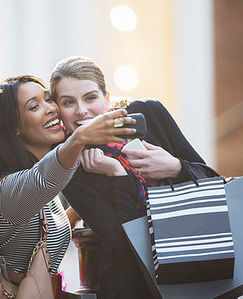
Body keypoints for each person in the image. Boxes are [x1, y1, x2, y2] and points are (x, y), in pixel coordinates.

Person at [50, 56, 217, 298]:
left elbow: (213, 183)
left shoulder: (149, 112)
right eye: (68, 102)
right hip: (136, 287)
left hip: (200, 267)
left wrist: (176, 167)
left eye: (90, 97)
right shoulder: (71, 165)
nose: (81, 110)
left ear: (107, 99)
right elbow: (122, 241)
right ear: (59, 110)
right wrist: (116, 173)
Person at [0, 75, 136, 287]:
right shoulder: (10, 189)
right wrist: (79, 138)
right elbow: (44, 180)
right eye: (35, 106)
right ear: (14, 126)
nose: (51, 108)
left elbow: (49, 221)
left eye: (49, 99)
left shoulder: (43, 189)